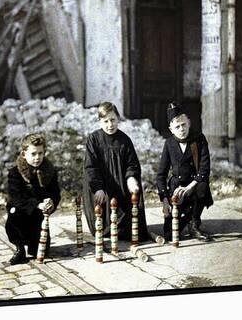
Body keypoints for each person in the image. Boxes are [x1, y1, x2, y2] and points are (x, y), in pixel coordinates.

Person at [83, 101, 149, 242]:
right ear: (100, 122)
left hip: (120, 185)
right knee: (102, 224)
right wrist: (98, 187)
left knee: (129, 227)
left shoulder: (124, 140)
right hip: (102, 188)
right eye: (105, 121)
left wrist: (131, 178)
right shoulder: (94, 140)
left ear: (118, 119)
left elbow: (132, 164)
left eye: (113, 120)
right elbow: (90, 167)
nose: (110, 125)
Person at [156, 102, 213, 242]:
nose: (181, 129)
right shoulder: (169, 144)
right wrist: (164, 199)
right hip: (176, 189)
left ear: (189, 123)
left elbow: (204, 169)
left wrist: (189, 188)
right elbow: (161, 175)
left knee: (202, 186)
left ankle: (194, 223)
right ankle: (186, 218)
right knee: (169, 235)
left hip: (194, 185)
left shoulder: (199, 139)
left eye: (183, 124)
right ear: (171, 129)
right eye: (177, 127)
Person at [5, 133, 61, 265]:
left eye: (40, 153)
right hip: (22, 211)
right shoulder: (15, 173)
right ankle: (19, 249)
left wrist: (50, 202)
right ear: (24, 154)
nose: (37, 158)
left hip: (38, 215)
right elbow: (16, 196)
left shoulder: (49, 171)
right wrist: (36, 204)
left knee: (40, 251)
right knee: (13, 213)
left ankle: (33, 243)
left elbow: (55, 193)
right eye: (33, 154)